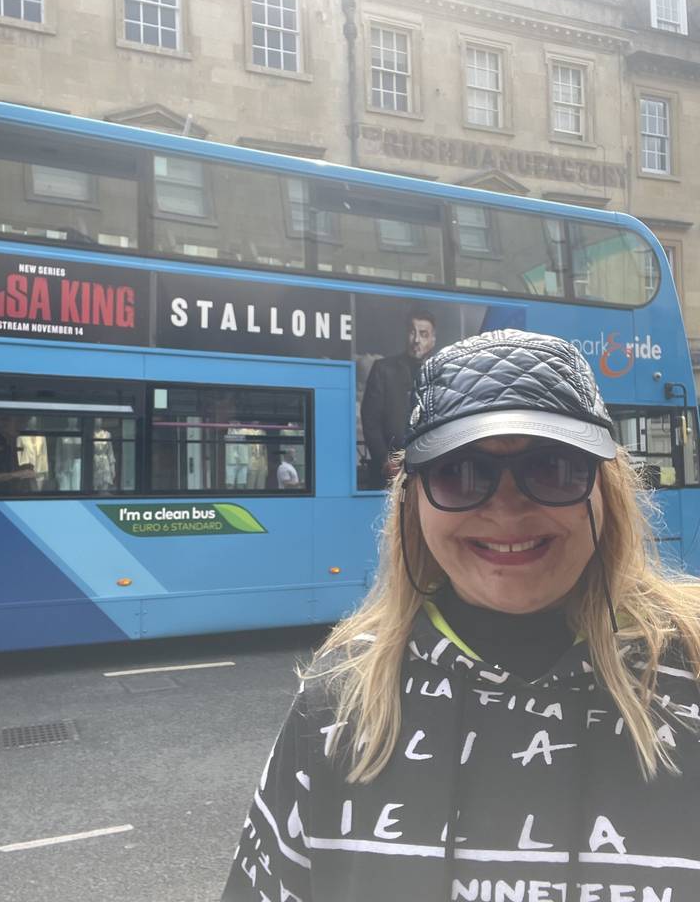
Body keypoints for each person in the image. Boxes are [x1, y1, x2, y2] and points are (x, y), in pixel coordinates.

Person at [221, 329, 700, 902]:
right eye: (459, 472)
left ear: (606, 489)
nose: (507, 508)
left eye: (553, 467)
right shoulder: (338, 699)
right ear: (411, 500)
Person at [361, 309, 436, 488]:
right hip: (393, 473)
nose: (416, 340)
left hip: (431, 470)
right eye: (412, 332)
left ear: (433, 340)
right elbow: (370, 420)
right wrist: (384, 460)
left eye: (423, 334)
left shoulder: (442, 371)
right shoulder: (383, 369)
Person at [0, 414, 35, 495]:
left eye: (24, 422)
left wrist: (22, 469)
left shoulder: (9, 444)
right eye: (20, 422)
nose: (23, 426)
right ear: (3, 424)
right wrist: (16, 474)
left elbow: (4, 470)